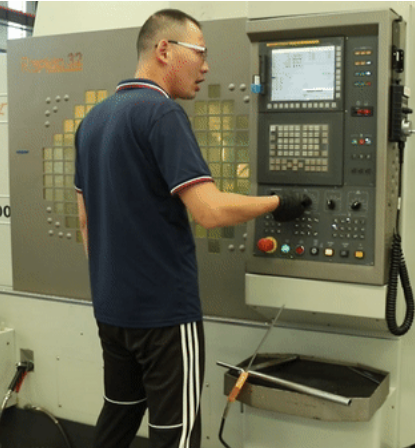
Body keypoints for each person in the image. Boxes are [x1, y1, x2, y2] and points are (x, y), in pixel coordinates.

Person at [74, 9, 308, 448]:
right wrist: (280, 202)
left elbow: (86, 221)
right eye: (200, 53)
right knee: (175, 435)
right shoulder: (162, 114)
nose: (206, 67)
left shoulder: (94, 120)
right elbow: (210, 211)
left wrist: (113, 288)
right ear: (165, 50)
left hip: (112, 310)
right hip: (163, 317)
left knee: (118, 418)